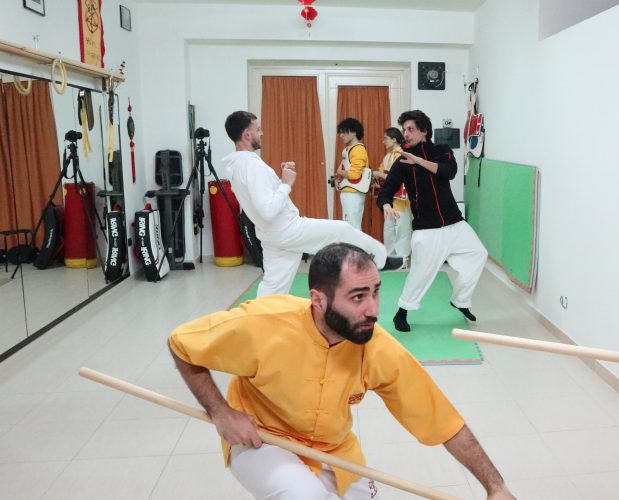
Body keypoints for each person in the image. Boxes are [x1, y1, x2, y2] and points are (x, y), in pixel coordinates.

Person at [168, 243, 515, 500]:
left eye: (375, 293)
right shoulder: (263, 323)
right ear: (318, 300)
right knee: (306, 496)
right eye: (358, 297)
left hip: (334, 450)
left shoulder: (377, 347)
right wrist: (222, 413)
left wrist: (495, 486)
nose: (373, 309)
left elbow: (443, 421)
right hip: (262, 439)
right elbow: (181, 344)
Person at [221, 111, 401, 298]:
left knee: (272, 289)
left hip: (271, 234)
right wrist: (286, 184)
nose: (262, 133)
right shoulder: (251, 165)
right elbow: (267, 209)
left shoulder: (237, 165)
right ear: (247, 134)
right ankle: (381, 259)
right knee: (342, 229)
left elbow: (262, 198)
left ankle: (260, 315)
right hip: (287, 229)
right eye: (258, 129)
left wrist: (280, 179)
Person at [377, 110, 488, 332]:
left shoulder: (441, 150)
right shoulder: (402, 162)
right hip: (427, 229)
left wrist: (418, 161)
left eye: (410, 129)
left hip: (455, 223)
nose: (406, 134)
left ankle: (460, 301)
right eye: (404, 130)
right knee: (420, 274)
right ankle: (402, 312)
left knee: (478, 254)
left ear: (424, 131)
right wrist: (386, 205)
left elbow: (448, 172)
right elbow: (385, 192)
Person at [372, 127, 411, 266]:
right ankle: (390, 257)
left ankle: (403, 258)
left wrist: (379, 174)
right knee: (389, 228)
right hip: (390, 198)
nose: (383, 141)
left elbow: (395, 177)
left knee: (402, 228)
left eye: (386, 138)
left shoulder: (402, 154)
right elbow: (383, 174)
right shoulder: (388, 156)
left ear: (394, 139)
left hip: (402, 198)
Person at [335, 118, 368, 231]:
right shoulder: (347, 150)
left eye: (344, 132)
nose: (341, 135)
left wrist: (340, 172)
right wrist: (339, 178)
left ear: (353, 132)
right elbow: (342, 169)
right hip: (347, 191)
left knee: (353, 227)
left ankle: (356, 243)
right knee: (348, 226)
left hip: (354, 193)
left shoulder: (358, 149)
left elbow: (354, 175)